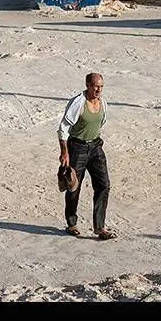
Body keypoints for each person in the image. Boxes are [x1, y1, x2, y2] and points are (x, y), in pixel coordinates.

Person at [57, 72, 117, 240]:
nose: (98, 90)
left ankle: (99, 227)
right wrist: (64, 152)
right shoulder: (78, 103)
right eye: (95, 86)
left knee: (104, 185)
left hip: (96, 146)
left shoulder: (103, 103)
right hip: (77, 147)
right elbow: (63, 128)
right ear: (88, 85)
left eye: (101, 86)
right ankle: (71, 223)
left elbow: (101, 122)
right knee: (73, 186)